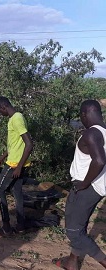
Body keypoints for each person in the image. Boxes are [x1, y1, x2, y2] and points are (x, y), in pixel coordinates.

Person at [55, 100, 106, 270]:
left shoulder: (91, 133)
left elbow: (99, 161)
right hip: (97, 187)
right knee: (80, 226)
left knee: (74, 232)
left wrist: (83, 183)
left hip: (86, 187)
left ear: (84, 114)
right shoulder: (104, 132)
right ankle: (72, 262)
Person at [0, 96, 33, 236]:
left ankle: (6, 227)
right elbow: (13, 145)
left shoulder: (16, 118)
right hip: (16, 162)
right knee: (17, 193)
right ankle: (21, 226)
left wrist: (19, 166)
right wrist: (1, 158)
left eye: (0, 111)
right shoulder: (16, 118)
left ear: (3, 107)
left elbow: (29, 144)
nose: (1, 114)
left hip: (15, 164)